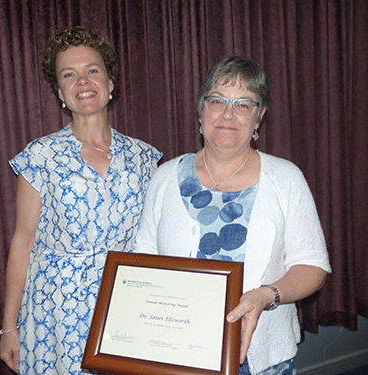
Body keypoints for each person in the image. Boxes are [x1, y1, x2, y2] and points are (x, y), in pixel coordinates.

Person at [134, 56, 331, 374]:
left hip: (259, 357)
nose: (228, 114)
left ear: (259, 118)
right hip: (176, 350)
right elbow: (143, 261)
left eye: (243, 104)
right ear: (201, 111)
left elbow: (313, 266)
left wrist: (265, 295)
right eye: (217, 101)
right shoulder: (164, 177)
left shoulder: (285, 177)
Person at [0, 26, 162, 374]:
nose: (82, 82)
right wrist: (9, 326)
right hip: (56, 310)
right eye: (68, 75)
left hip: (125, 302)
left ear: (110, 82)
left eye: (92, 70)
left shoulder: (145, 158)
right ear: (60, 91)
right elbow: (23, 240)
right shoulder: (40, 156)